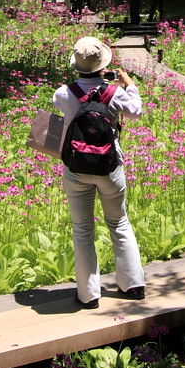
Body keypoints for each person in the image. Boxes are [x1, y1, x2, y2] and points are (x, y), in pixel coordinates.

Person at [52, 36, 145, 308]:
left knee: (82, 230)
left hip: (76, 168)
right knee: (119, 223)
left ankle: (88, 295)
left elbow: (63, 106)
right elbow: (135, 112)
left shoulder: (63, 94)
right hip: (110, 166)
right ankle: (133, 286)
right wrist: (129, 85)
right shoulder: (114, 93)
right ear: (102, 65)